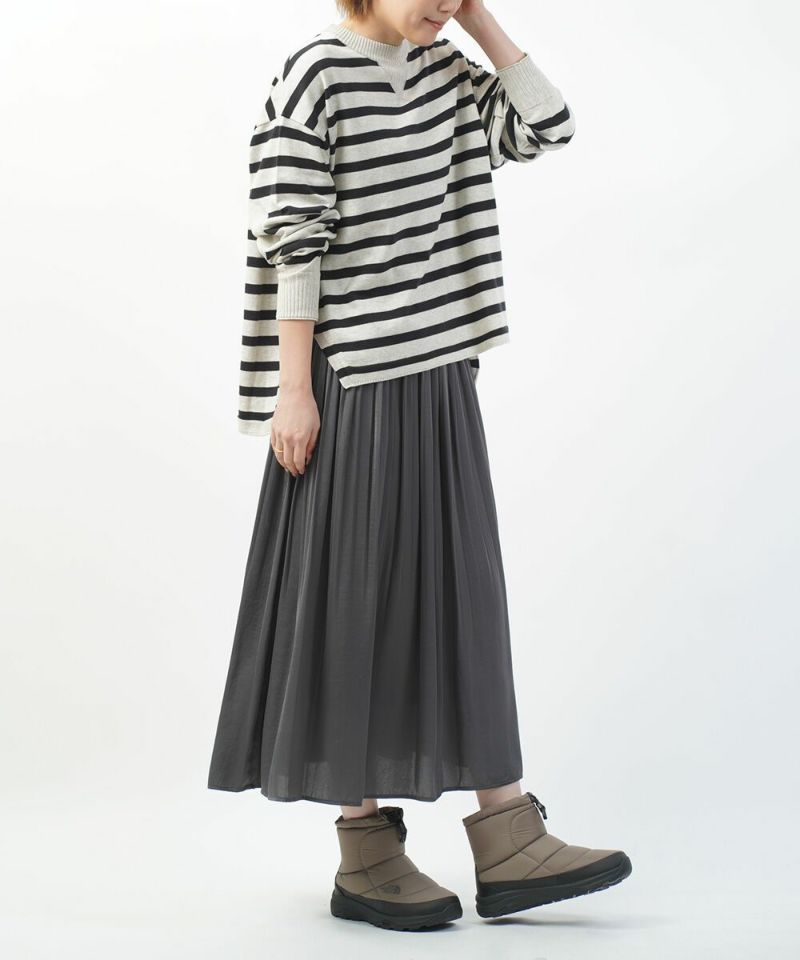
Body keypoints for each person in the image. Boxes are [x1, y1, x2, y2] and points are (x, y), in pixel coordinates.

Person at [208, 0, 632, 930]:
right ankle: (366, 852)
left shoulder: (447, 70)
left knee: (462, 595)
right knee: (354, 603)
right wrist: (294, 391)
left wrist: (478, 23)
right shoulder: (316, 76)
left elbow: (547, 125)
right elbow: (293, 238)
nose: (444, 3)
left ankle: (508, 836)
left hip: (440, 371)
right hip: (351, 378)